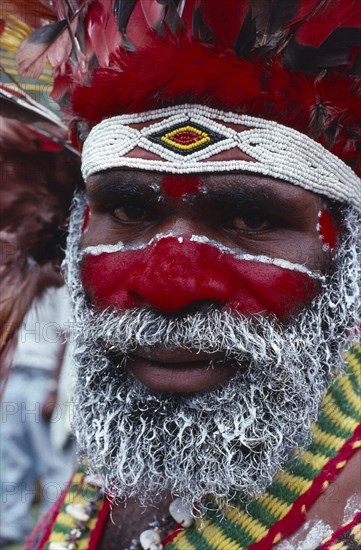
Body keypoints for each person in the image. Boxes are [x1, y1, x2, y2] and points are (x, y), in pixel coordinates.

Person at [3, 1, 360, 548]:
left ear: (348, 255)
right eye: (128, 210)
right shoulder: (125, 449)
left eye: (251, 217)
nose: (167, 286)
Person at [0, 281, 74, 546]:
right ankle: (12, 524)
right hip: (16, 374)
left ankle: (51, 525)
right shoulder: (22, 282)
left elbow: (67, 333)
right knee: (14, 457)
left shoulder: (59, 284)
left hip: (44, 378)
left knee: (52, 459)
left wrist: (54, 388)